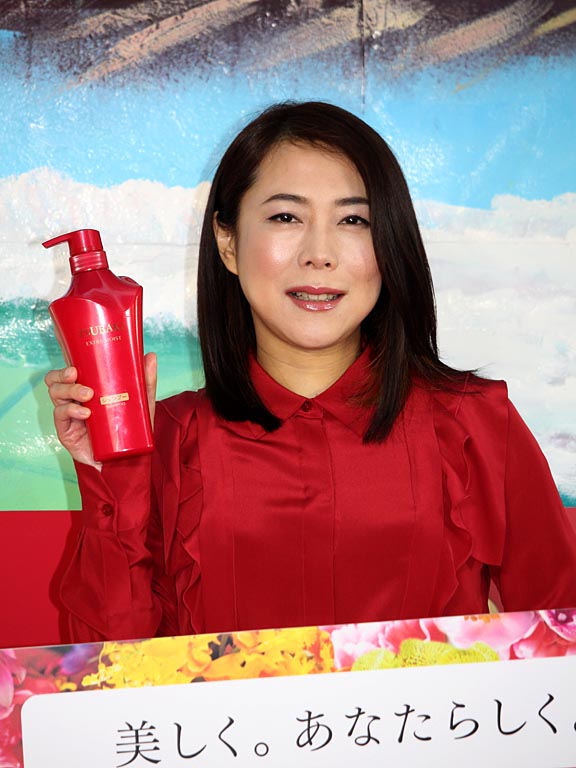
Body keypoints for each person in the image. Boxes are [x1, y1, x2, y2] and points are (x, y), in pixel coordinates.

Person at [45, 101, 576, 642]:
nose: (319, 254)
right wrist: (112, 471)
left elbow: (562, 639)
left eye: (353, 220)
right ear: (228, 242)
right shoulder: (166, 441)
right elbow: (107, 670)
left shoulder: (476, 422)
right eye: (286, 217)